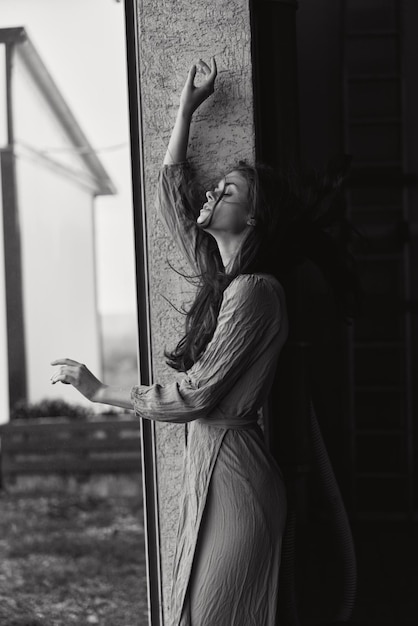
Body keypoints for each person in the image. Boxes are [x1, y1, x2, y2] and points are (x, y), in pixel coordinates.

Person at [51, 58, 352, 625]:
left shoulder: (256, 293)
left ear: (256, 218)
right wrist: (186, 110)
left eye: (229, 189)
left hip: (237, 477)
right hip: (210, 469)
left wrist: (100, 392)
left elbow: (194, 397)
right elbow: (171, 200)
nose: (213, 191)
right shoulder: (226, 279)